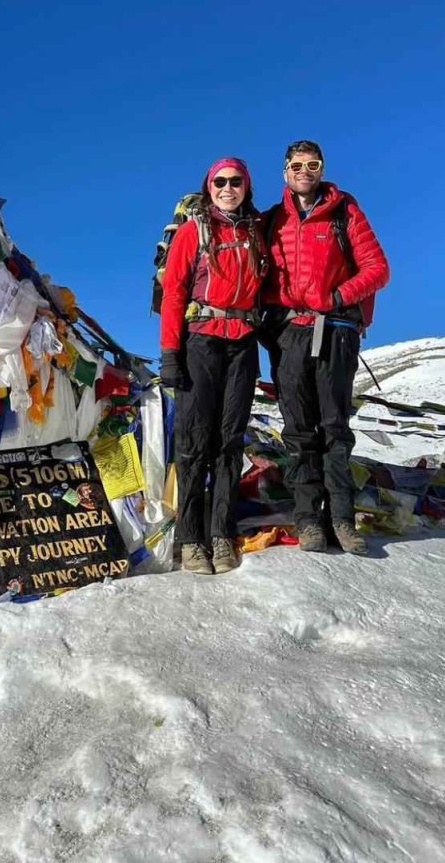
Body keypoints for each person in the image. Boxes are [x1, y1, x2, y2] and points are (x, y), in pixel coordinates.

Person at [262, 140, 390, 554]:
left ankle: (342, 520)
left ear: (322, 169)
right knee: (298, 429)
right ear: (285, 171)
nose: (304, 171)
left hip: (334, 329)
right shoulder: (271, 219)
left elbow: (377, 268)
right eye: (297, 165)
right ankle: (308, 520)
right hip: (289, 333)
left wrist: (336, 298)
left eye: (312, 164)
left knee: (334, 428)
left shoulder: (344, 210)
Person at [159, 157, 267, 575]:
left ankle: (222, 534)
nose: (227, 188)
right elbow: (174, 293)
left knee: (230, 441)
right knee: (193, 441)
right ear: (209, 187)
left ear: (246, 186)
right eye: (219, 181)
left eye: (235, 181)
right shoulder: (193, 231)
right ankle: (190, 539)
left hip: (243, 344)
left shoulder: (256, 233)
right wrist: (170, 352)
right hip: (200, 342)